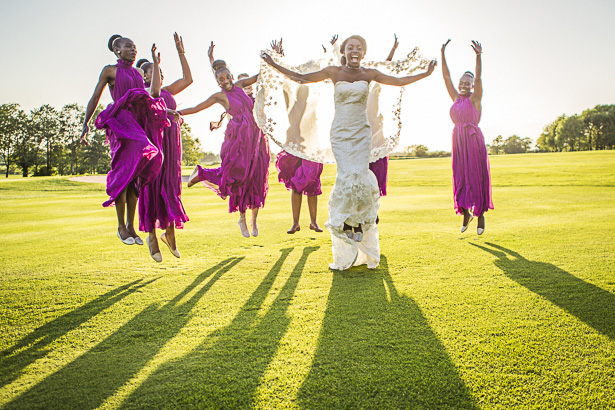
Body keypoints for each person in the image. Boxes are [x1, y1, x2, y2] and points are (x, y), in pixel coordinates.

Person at [262, 35, 436, 269]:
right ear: (343, 51)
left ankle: (359, 225)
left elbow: (397, 79)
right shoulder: (334, 72)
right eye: (350, 47)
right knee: (347, 177)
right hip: (341, 134)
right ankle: (346, 226)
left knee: (361, 176)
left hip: (361, 133)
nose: (355, 51)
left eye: (359, 48)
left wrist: (425, 74)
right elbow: (301, 77)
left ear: (364, 53)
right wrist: (274, 64)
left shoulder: (369, 74)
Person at [80, 35, 167, 247]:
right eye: (128, 46)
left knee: (136, 175)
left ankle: (131, 226)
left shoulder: (138, 73)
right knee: (123, 175)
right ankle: (120, 227)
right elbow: (95, 97)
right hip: (120, 125)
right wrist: (85, 124)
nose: (133, 49)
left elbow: (152, 94)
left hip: (139, 123)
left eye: (135, 47)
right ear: (117, 50)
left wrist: (155, 64)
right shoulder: (110, 71)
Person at [180, 59, 270, 238]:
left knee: (257, 177)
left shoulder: (240, 84)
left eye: (228, 77)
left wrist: (274, 60)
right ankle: (241, 217)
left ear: (231, 75)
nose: (226, 81)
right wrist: (177, 112)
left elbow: (259, 76)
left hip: (257, 138)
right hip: (239, 139)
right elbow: (197, 108)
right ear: (217, 82)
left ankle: (254, 220)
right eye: (221, 79)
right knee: (238, 175)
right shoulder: (219, 96)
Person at [136, 33, 192, 261]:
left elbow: (188, 79)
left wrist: (181, 52)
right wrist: (154, 61)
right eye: (150, 72)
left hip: (172, 146)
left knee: (170, 187)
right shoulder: (142, 95)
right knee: (152, 187)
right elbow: (155, 99)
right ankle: (151, 235)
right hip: (154, 145)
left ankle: (169, 233)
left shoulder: (169, 91)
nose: (155, 74)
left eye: (158, 71)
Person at [441, 39, 493, 235]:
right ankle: (465, 213)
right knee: (460, 177)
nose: (463, 85)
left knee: (476, 175)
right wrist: (442, 53)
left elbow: (479, 78)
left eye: (467, 83)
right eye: (461, 82)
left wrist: (478, 56)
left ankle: (480, 215)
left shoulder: (475, 98)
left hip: (473, 141)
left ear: (471, 86)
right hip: (458, 141)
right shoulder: (456, 97)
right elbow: (446, 77)